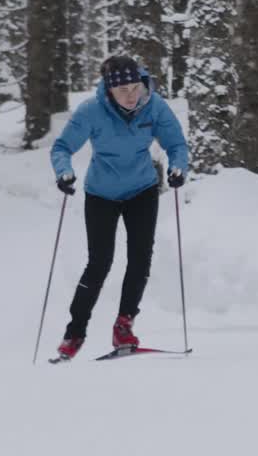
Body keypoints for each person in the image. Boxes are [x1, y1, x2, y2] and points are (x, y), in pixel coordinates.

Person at [49, 55, 189, 361]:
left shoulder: (155, 106)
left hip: (142, 189)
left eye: (135, 86)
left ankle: (124, 324)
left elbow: (176, 144)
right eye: (122, 89)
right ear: (109, 90)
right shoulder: (91, 111)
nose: (131, 94)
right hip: (101, 193)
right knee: (99, 263)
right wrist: (63, 171)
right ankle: (74, 333)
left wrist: (178, 166)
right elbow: (62, 147)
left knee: (141, 257)